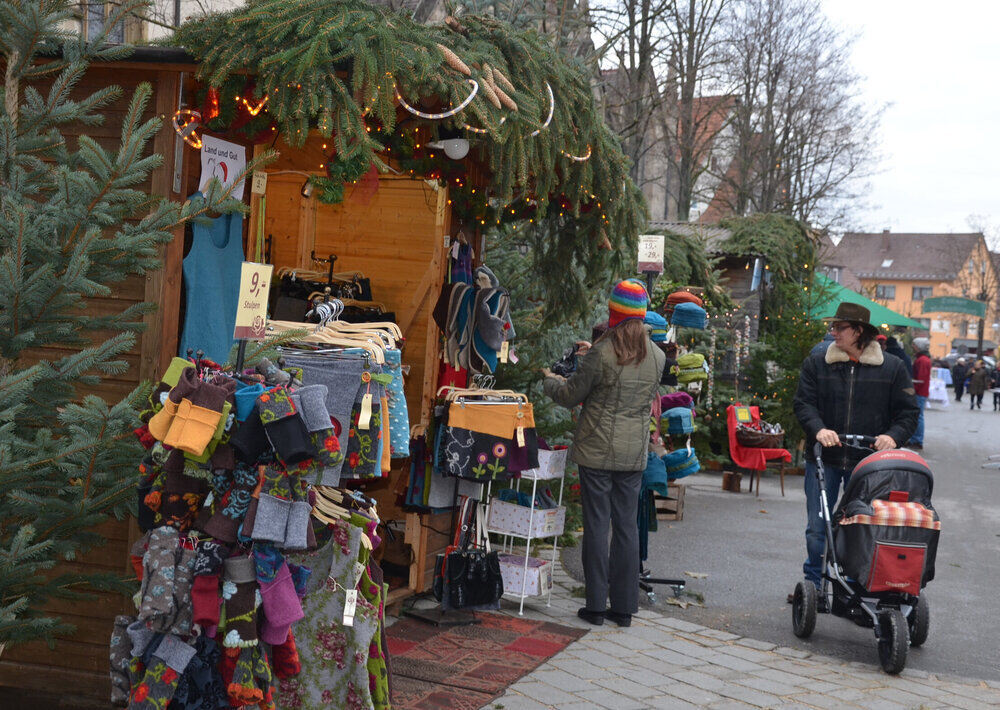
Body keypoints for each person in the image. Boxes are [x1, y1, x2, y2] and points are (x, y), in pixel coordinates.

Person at [542, 280, 665, 628]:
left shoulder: (603, 351)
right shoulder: (656, 356)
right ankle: (623, 609)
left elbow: (570, 395)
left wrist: (549, 378)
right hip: (632, 455)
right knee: (626, 526)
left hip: (597, 450)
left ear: (613, 314)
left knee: (597, 525)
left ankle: (595, 605)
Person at [793, 302, 918, 595]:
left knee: (861, 524)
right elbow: (804, 403)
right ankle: (813, 583)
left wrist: (892, 437)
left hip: (869, 464)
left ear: (859, 331)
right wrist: (819, 429)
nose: (832, 331)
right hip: (825, 458)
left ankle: (854, 584)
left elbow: (908, 414)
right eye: (833, 326)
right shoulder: (818, 362)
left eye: (840, 327)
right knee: (817, 524)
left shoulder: (892, 367)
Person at [908, 337, 932, 450]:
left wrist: (911, 386)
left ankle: (917, 440)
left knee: (918, 416)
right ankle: (916, 439)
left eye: (914, 345)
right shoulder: (924, 359)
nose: (913, 347)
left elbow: (920, 379)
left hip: (919, 392)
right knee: (918, 416)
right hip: (921, 391)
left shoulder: (922, 360)